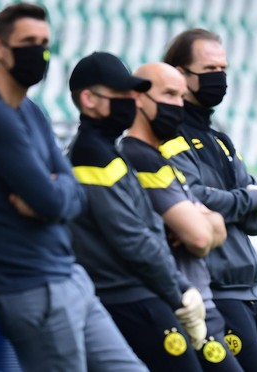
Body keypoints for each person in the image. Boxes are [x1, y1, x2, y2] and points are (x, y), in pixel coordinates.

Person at [0, 4, 146, 371]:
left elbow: (72, 195)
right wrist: (53, 195)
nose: (39, 52)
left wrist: (53, 195)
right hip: (33, 288)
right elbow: (52, 198)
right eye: (28, 42)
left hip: (70, 278)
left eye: (44, 43)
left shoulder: (31, 111)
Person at [67, 52, 206, 371]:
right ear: (88, 99)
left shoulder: (106, 151)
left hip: (138, 293)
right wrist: (180, 293)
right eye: (121, 95)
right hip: (128, 297)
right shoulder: (92, 156)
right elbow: (132, 239)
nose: (131, 101)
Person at [160, 29, 257, 371]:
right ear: (180, 74)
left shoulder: (220, 140)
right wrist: (248, 199)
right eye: (209, 70)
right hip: (215, 291)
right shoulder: (169, 136)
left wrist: (234, 203)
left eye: (222, 69)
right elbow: (192, 199)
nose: (220, 78)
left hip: (250, 290)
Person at [120, 62, 244, 372]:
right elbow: (202, 238)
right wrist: (202, 221)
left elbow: (216, 230)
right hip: (180, 307)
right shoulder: (139, 156)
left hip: (201, 303)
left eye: (181, 96)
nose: (178, 104)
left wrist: (203, 220)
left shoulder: (162, 157)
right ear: (138, 98)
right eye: (169, 94)